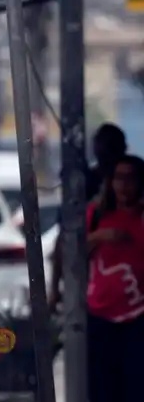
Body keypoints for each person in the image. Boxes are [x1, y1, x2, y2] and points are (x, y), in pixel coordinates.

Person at [85, 154, 144, 402]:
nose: (124, 185)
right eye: (119, 178)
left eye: (131, 178)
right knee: (106, 381)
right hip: (101, 308)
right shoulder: (96, 215)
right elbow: (70, 252)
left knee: (137, 378)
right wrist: (99, 238)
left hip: (138, 309)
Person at [49, 123, 127, 308]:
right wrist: (54, 288)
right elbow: (64, 237)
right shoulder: (87, 183)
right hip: (91, 267)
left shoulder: (134, 178)